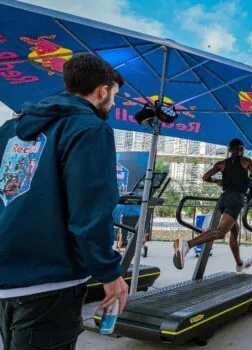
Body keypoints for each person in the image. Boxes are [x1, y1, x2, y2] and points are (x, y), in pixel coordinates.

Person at [0, 54, 129, 350]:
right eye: (114, 96)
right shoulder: (90, 129)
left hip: (7, 276)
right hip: (52, 281)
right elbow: (89, 212)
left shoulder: (11, 129)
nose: (112, 104)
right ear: (102, 90)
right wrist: (109, 273)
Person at [173, 139, 252, 273]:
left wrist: (217, 181)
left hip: (223, 199)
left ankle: (239, 264)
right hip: (236, 199)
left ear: (230, 150)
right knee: (220, 232)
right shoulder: (246, 161)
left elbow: (205, 177)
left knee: (234, 233)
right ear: (242, 149)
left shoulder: (221, 164)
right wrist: (246, 180)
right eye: (242, 149)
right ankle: (187, 244)